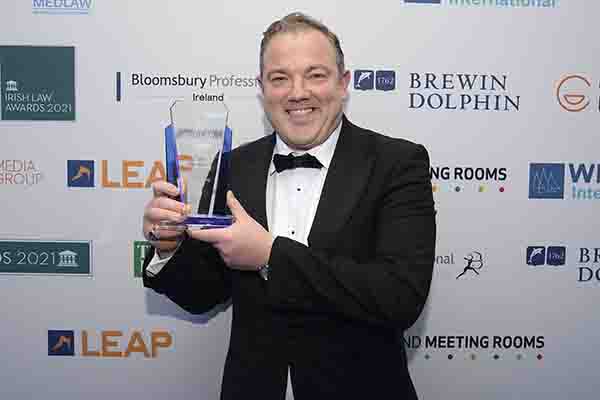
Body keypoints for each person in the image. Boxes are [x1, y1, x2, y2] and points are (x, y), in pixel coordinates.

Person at [142, 12, 436, 400]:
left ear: (343, 83)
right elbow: (202, 293)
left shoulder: (397, 163)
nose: (297, 92)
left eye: (316, 75)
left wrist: (270, 256)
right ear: (262, 88)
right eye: (279, 78)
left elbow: (400, 297)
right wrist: (168, 247)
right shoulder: (233, 166)